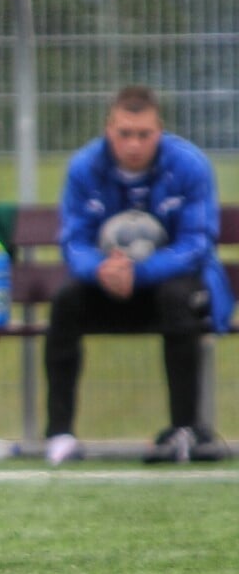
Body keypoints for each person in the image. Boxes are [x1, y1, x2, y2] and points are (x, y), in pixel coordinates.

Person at [44, 85, 231, 466]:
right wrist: (101, 269)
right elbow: (73, 242)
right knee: (65, 302)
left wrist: (140, 271)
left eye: (143, 134)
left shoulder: (189, 165)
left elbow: (197, 243)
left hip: (171, 289)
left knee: (178, 300)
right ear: (108, 130)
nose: (133, 144)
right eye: (124, 133)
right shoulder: (84, 168)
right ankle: (60, 435)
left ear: (159, 131)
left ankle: (183, 429)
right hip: (109, 287)